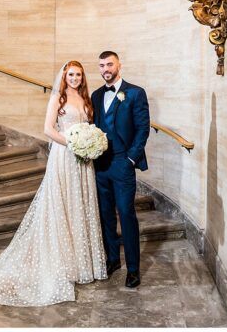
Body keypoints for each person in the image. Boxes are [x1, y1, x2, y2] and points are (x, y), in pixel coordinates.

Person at [0, 60, 107, 306]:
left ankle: (83, 264)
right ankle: (64, 264)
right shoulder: (58, 99)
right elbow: (48, 130)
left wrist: (90, 143)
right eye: (71, 74)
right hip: (64, 156)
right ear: (64, 77)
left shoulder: (86, 99)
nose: (75, 78)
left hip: (83, 161)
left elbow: (88, 127)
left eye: (78, 75)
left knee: (80, 205)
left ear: (83, 77)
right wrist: (72, 143)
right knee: (62, 205)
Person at [90, 51, 151, 289]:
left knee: (126, 214)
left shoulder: (135, 93)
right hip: (100, 165)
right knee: (105, 215)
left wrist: (130, 159)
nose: (105, 69)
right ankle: (112, 259)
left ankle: (133, 269)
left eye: (109, 64)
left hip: (122, 164)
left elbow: (142, 128)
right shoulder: (96, 95)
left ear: (119, 65)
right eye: (102, 65)